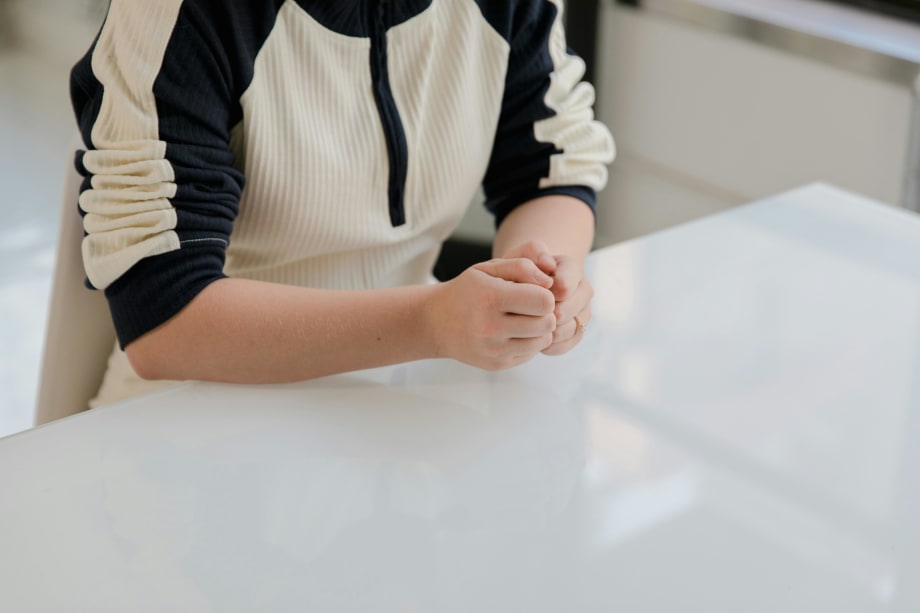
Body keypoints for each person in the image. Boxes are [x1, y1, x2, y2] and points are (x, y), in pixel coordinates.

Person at [69, 0, 615, 407]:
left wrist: (540, 277)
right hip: (186, 414)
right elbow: (164, 319)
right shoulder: (177, 15)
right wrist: (430, 323)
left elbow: (547, 167)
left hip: (395, 399)